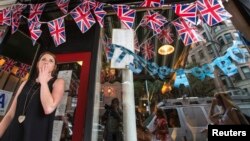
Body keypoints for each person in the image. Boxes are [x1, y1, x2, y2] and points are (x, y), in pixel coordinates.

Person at [0, 51, 65, 141]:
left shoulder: (58, 82)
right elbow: (10, 114)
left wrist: (43, 81)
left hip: (35, 135)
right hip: (13, 133)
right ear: (38, 64)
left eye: (51, 61)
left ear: (54, 67)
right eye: (43, 59)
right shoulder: (25, 82)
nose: (46, 62)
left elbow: (48, 108)